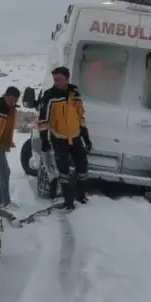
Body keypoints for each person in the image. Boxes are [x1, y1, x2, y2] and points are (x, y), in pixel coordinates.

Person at [36, 66, 92, 210]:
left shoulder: (75, 94)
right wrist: (44, 140)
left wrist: (86, 138)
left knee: (83, 167)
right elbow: (43, 120)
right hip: (59, 139)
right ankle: (68, 202)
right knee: (64, 171)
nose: (56, 83)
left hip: (75, 137)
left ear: (67, 79)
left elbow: (80, 117)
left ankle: (81, 196)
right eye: (55, 80)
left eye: (59, 80)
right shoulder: (49, 96)